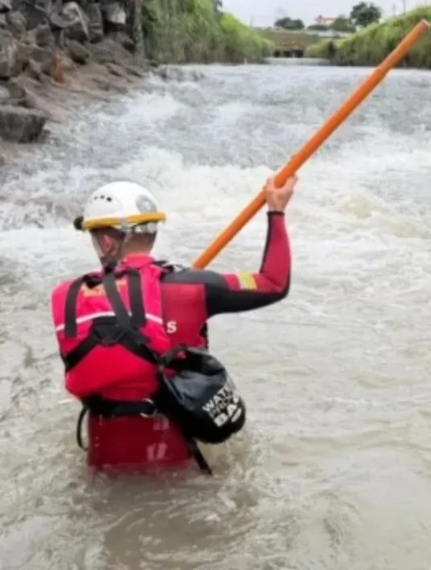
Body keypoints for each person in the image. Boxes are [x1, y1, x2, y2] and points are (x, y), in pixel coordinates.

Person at [49, 175, 297, 473]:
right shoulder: (195, 287)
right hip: (177, 454)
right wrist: (276, 210)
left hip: (106, 459)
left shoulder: (76, 298)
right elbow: (274, 282)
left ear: (106, 242)